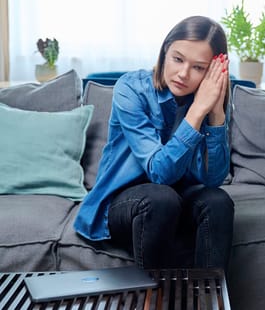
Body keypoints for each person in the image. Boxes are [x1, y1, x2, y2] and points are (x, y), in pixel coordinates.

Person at [74, 16, 234, 271]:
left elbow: (213, 179)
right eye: (178, 59)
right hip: (128, 206)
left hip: (179, 201)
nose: (183, 74)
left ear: (212, 72)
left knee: (218, 200)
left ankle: (208, 300)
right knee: (161, 198)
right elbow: (160, 172)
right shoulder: (131, 89)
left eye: (199, 67)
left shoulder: (210, 96)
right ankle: (154, 301)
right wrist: (196, 112)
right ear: (164, 52)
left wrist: (215, 115)